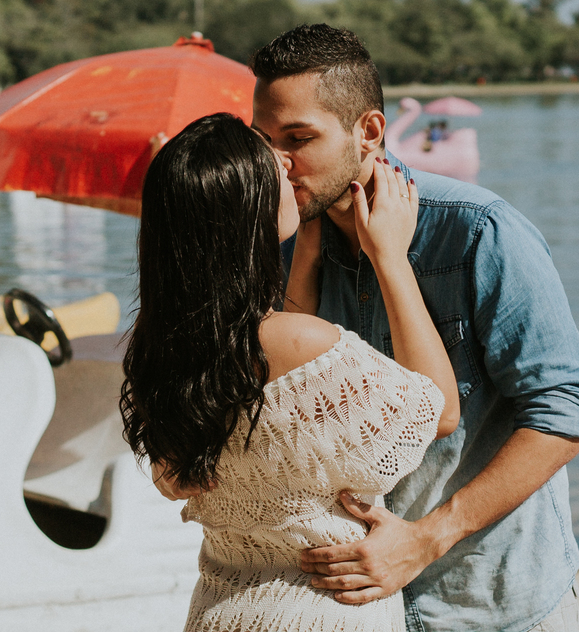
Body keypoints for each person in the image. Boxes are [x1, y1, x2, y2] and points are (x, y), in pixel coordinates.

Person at [248, 24, 579, 632]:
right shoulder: (281, 243)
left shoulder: (478, 232)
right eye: (264, 141)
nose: (279, 162)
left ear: (370, 132)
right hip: (353, 605)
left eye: (299, 138)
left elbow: (563, 415)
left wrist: (428, 539)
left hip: (492, 605)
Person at [120, 113, 461, 631]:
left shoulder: (162, 346)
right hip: (315, 613)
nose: (287, 161)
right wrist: (390, 257)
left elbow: (273, 380)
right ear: (250, 214)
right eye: (270, 163)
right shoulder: (301, 343)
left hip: (221, 605)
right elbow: (437, 411)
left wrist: (304, 250)